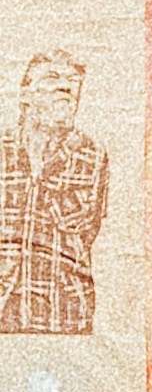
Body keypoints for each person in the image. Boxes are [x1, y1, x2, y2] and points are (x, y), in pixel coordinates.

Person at [0, 53, 110, 336]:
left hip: (62, 315)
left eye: (72, 82)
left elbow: (87, 230)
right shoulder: (3, 150)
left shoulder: (91, 155)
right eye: (52, 78)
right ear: (25, 95)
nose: (65, 88)